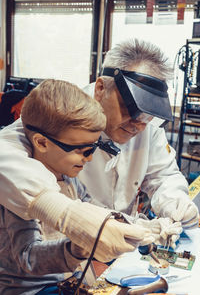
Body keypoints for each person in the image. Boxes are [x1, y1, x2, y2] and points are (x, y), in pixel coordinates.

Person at [0, 39, 198, 248]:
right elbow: (5, 154)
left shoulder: (147, 127)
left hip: (124, 240)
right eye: (132, 110)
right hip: (66, 247)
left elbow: (164, 176)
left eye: (147, 116)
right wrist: (63, 212)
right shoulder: (62, 110)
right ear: (101, 88)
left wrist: (174, 201)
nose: (138, 125)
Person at [0, 79, 154, 294]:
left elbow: (96, 212)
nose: (89, 159)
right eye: (82, 150)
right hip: (30, 289)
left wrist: (139, 226)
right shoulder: (17, 194)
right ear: (42, 143)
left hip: (68, 280)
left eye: (93, 148)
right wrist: (79, 247)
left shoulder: (69, 179)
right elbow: (29, 257)